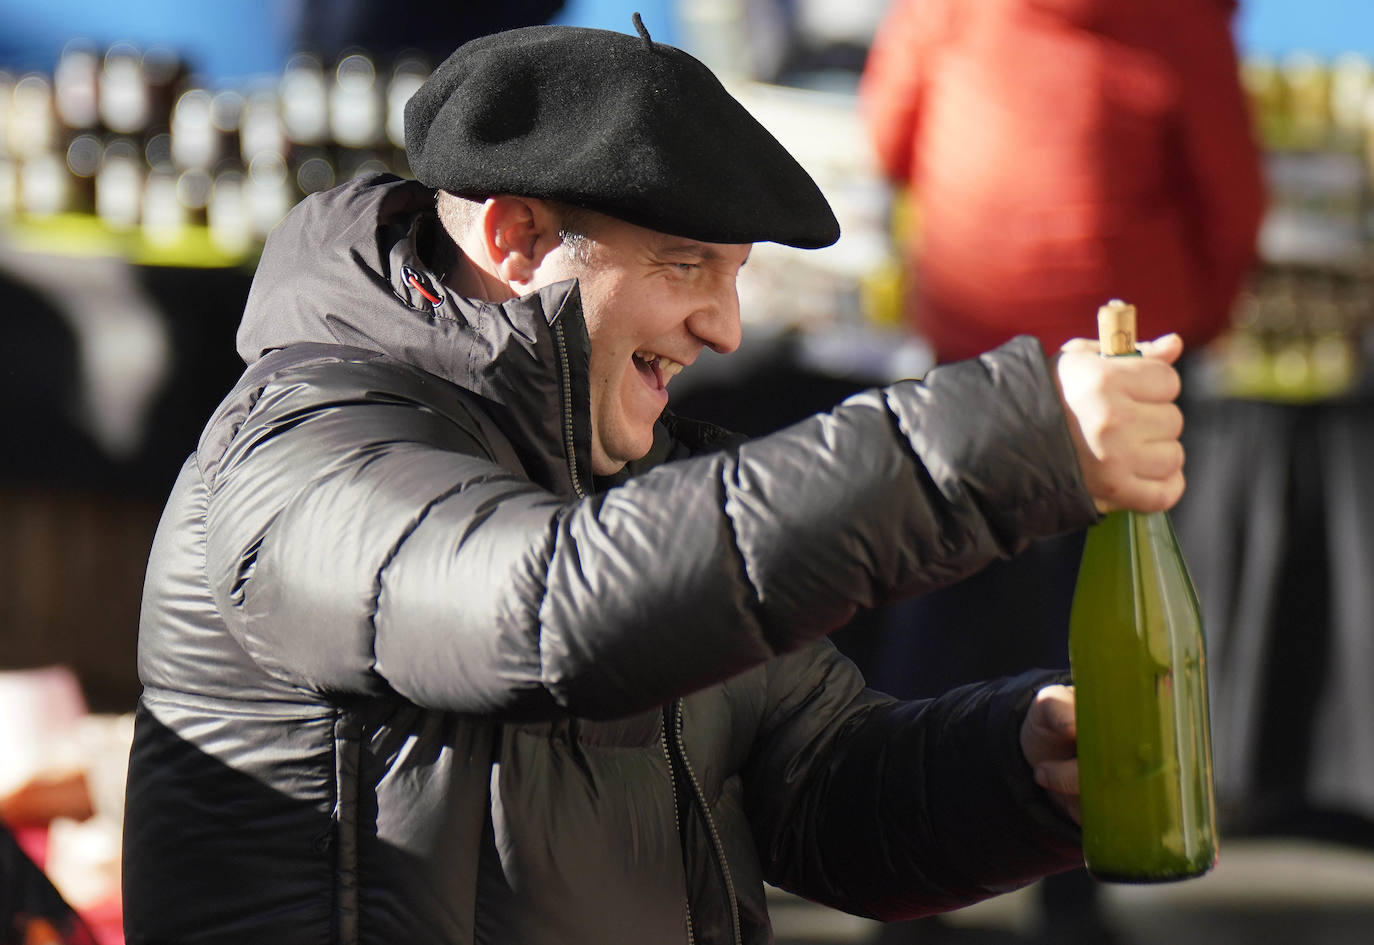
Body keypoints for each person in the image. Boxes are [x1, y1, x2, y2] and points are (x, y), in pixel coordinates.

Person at [121, 18, 1189, 945]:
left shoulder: (637, 470)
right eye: (686, 268)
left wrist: (1013, 768)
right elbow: (548, 611)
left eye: (734, 279)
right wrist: (1007, 440)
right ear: (516, 237)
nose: (722, 327)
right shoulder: (304, 451)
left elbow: (818, 781)